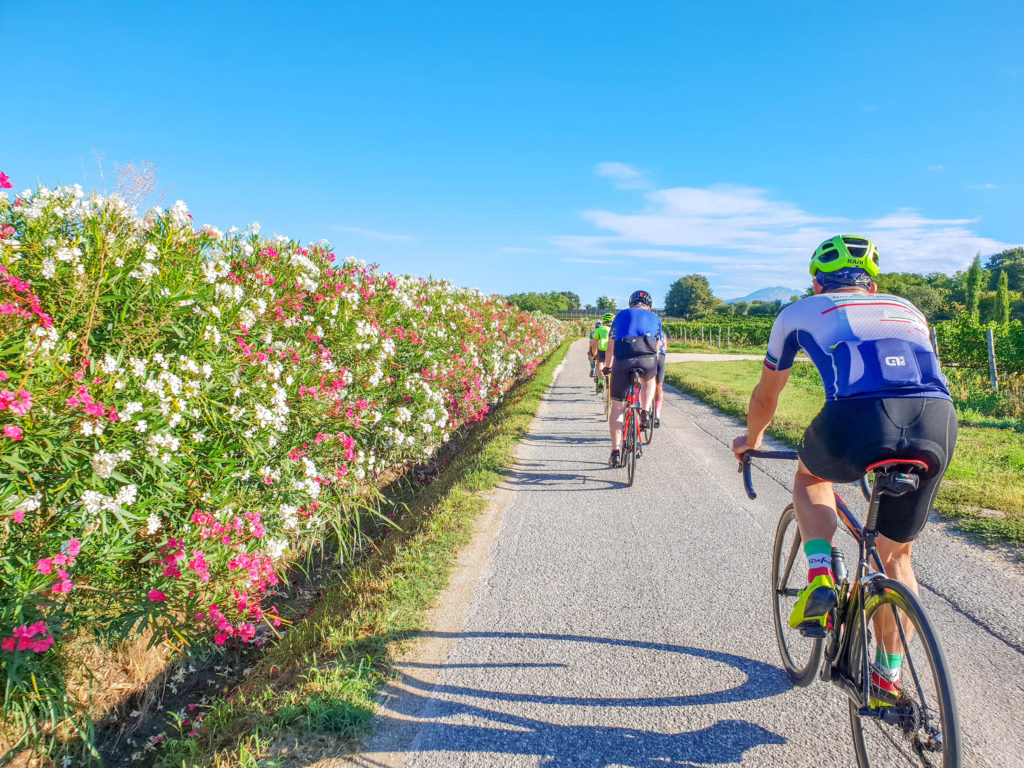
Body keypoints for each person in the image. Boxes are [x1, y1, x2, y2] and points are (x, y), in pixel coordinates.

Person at [731, 235, 957, 704]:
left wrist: (750, 443)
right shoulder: (909, 308)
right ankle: (887, 676)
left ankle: (818, 576)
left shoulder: (798, 312)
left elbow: (765, 397)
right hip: (935, 419)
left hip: (857, 416)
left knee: (812, 477)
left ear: (816, 282)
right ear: (872, 285)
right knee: (895, 557)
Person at [604, 292, 662, 466]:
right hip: (647, 359)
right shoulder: (655, 317)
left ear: (631, 305)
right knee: (649, 381)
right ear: (649, 306)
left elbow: (611, 346)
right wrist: (653, 364)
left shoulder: (621, 315)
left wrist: (607, 366)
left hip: (623, 360)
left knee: (617, 408)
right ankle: (644, 411)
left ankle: (615, 451)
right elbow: (657, 345)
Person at [589, 313, 613, 393]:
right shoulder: (617, 329)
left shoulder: (599, 330)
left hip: (603, 348)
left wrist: (595, 354)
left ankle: (600, 381)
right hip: (613, 349)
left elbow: (594, 344)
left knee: (600, 362)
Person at [653, 331, 667, 428]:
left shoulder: (647, 331)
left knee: (642, 383)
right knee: (659, 386)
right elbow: (665, 348)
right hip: (661, 359)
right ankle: (657, 413)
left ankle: (637, 401)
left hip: (648, 358)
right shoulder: (663, 334)